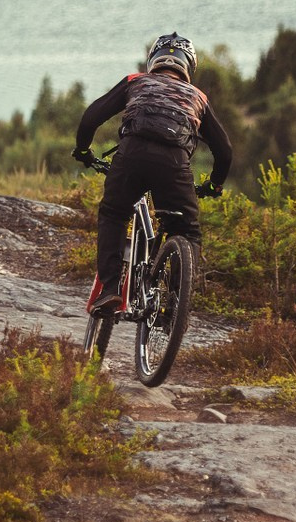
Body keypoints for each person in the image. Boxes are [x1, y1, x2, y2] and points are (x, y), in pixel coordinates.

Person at [73, 32, 233, 312]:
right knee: (186, 231)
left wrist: (84, 151)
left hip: (131, 155)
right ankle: (176, 303)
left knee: (114, 214)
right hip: (174, 165)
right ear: (189, 66)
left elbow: (90, 118)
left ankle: (110, 289)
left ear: (153, 60)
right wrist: (214, 185)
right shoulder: (197, 97)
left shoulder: (136, 81)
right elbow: (224, 151)